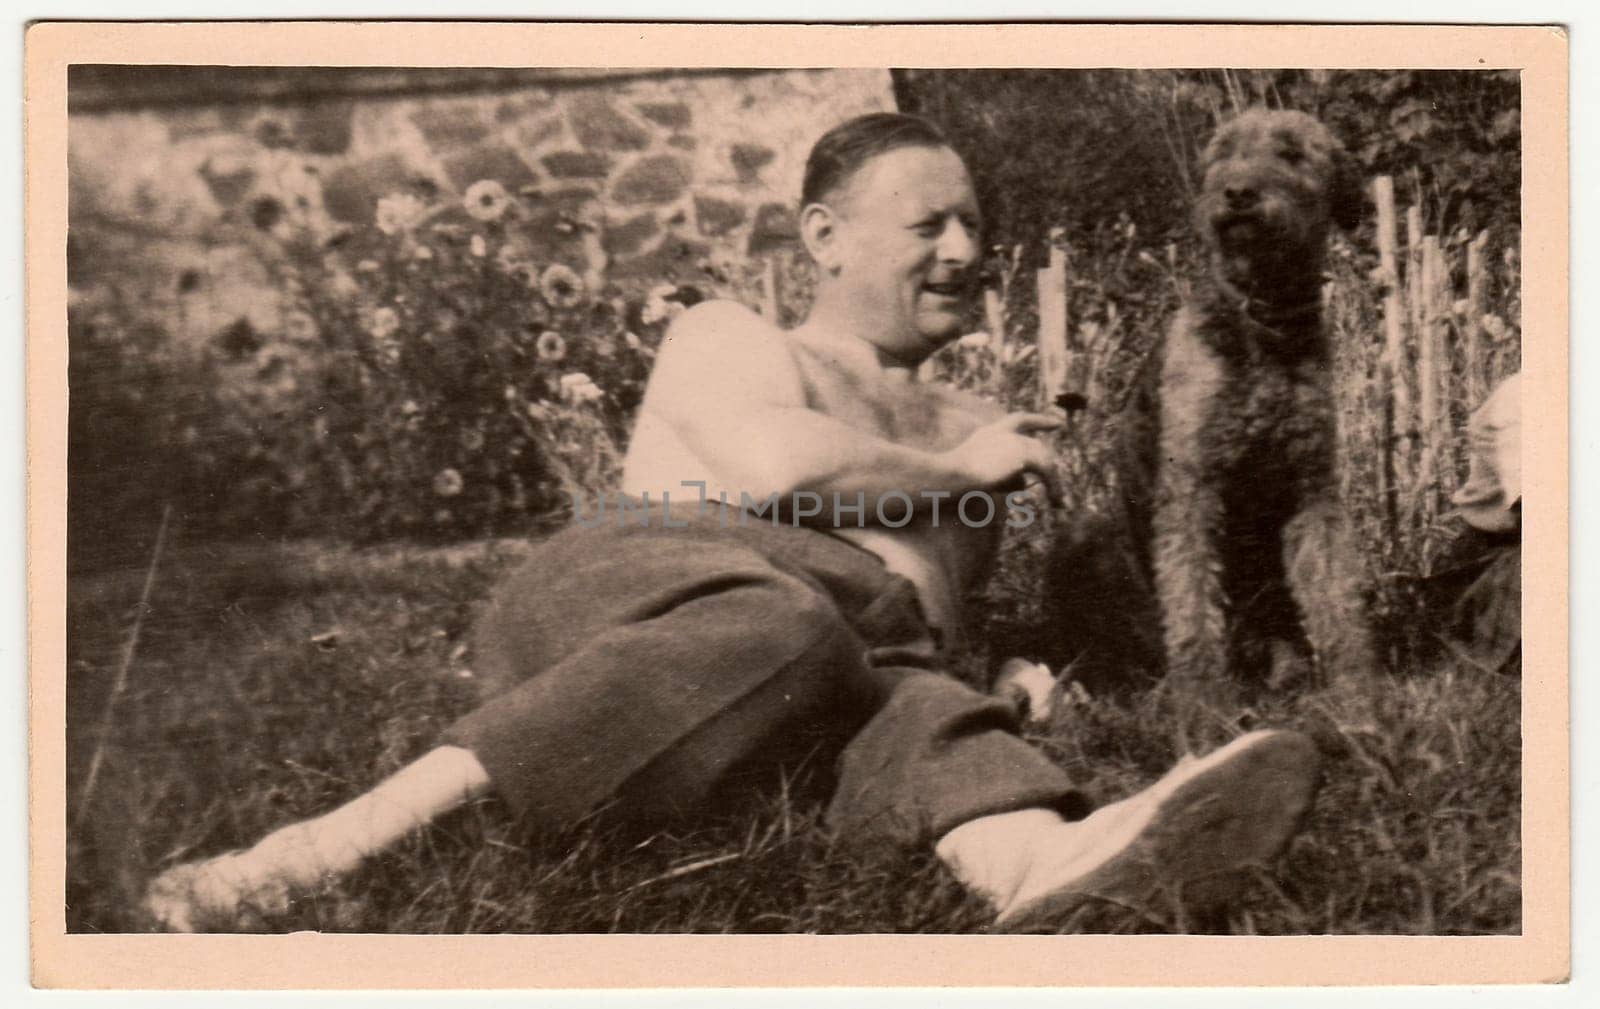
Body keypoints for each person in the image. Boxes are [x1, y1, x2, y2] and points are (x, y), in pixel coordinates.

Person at [143, 112, 1322, 933]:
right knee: (796, 618)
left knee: (909, 688)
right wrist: (962, 468)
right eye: (927, 225)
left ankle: (1047, 865)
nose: (965, 250)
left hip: (833, 655)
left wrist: (994, 660)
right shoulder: (737, 336)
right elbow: (772, 469)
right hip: (647, 585)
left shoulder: (968, 415)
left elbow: (926, 612)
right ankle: (307, 855)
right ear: (823, 239)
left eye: (973, 224)